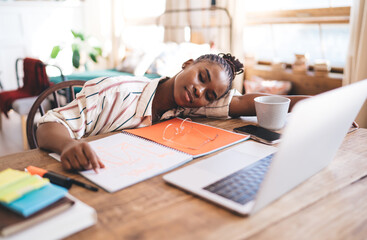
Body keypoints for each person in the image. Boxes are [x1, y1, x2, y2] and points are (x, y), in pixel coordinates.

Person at [37, 53, 307, 173]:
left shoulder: (193, 105)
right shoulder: (114, 91)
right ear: (187, 64)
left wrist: (326, 104)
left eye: (210, 95)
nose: (200, 91)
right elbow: (48, 124)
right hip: (83, 172)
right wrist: (68, 144)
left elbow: (253, 102)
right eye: (201, 77)